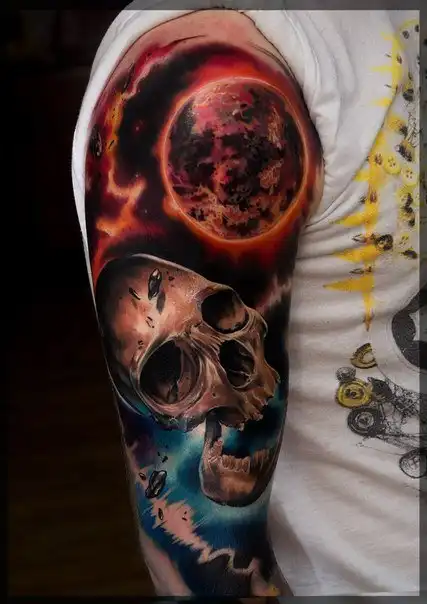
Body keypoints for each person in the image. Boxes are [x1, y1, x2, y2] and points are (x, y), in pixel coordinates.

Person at [72, 3, 422, 597]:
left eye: (223, 316)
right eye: (171, 375)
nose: (232, 380)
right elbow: (207, 583)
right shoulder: (221, 85)